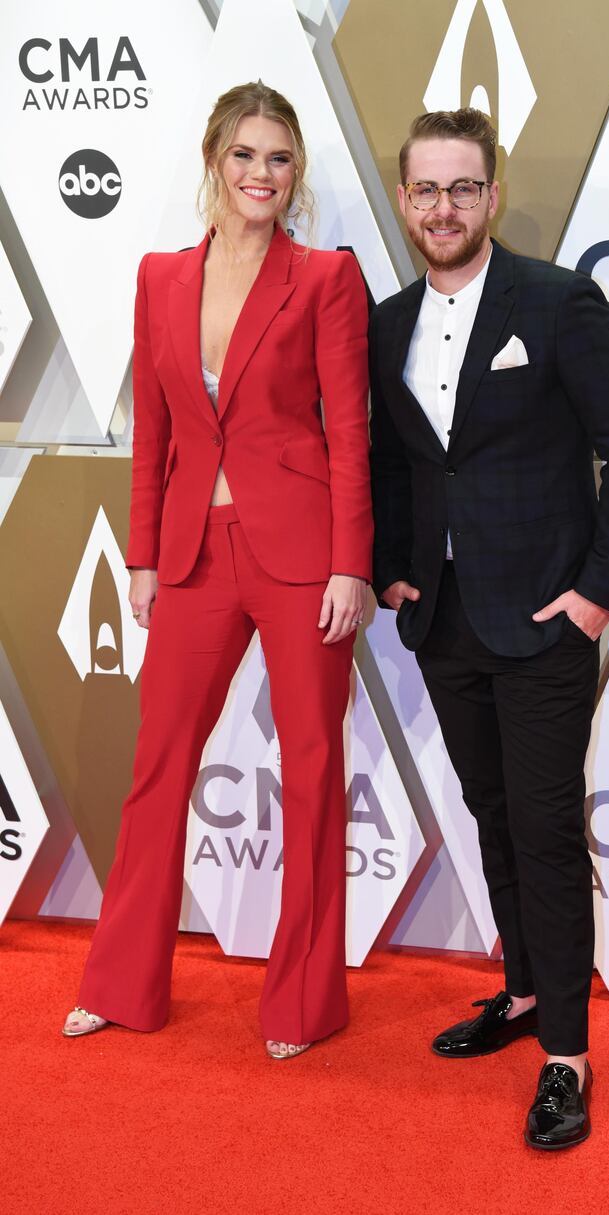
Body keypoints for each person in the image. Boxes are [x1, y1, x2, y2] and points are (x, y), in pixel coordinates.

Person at [62, 81, 372, 1060]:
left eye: (279, 159)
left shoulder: (323, 278)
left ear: (296, 174)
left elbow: (348, 432)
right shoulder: (159, 277)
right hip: (193, 552)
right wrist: (143, 556)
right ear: (213, 161)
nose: (261, 175)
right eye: (245, 155)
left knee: (313, 771)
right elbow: (153, 430)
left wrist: (348, 565)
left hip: (299, 554)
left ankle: (303, 1005)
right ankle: (120, 984)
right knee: (157, 770)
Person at [369, 108, 609, 1147]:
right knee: (491, 812)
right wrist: (392, 572)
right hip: (444, 621)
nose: (440, 207)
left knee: (541, 827)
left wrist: (593, 593)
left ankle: (566, 1059)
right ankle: (526, 992)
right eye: (423, 189)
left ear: (490, 196)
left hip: (544, 621)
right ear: (402, 200)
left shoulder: (557, 301)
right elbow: (396, 464)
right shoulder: (387, 322)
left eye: (460, 187)